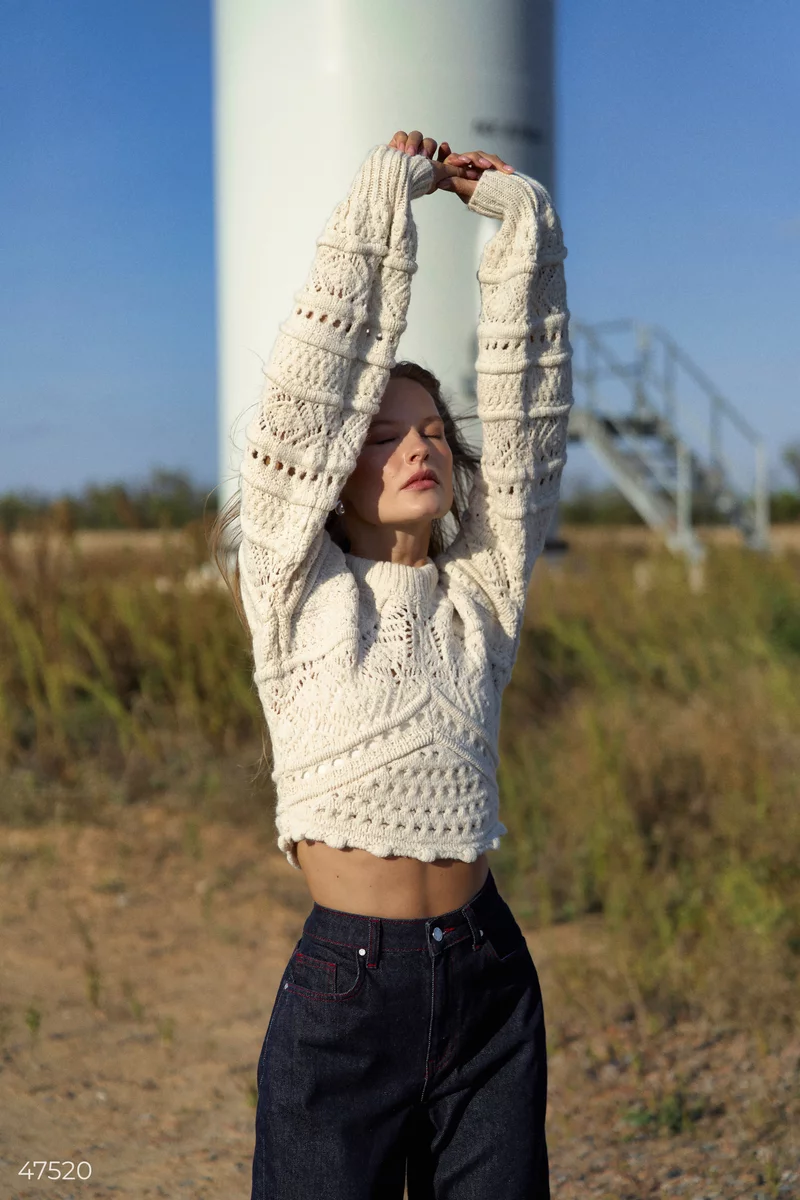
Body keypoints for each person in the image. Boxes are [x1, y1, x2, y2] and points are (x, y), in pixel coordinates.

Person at [211, 127, 573, 1199]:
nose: (415, 447)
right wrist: (383, 205)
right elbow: (307, 395)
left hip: (488, 981)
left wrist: (521, 229)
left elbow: (528, 420)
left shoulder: (483, 592)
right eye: (381, 436)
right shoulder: (295, 586)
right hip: (343, 996)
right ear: (334, 472)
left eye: (429, 434)